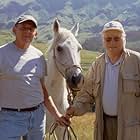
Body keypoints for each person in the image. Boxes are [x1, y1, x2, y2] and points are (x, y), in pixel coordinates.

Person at [66, 20, 140, 140]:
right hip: (103, 126)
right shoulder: (97, 65)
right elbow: (86, 95)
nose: (112, 43)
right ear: (103, 41)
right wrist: (74, 109)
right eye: (108, 39)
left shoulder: (137, 61)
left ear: (124, 39)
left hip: (131, 129)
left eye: (117, 38)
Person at [0, 14, 70, 140]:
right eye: (23, 28)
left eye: (31, 29)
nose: (27, 31)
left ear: (35, 33)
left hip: (37, 117)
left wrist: (57, 115)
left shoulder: (39, 56)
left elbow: (42, 90)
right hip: (10, 117)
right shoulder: (2, 54)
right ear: (14, 29)